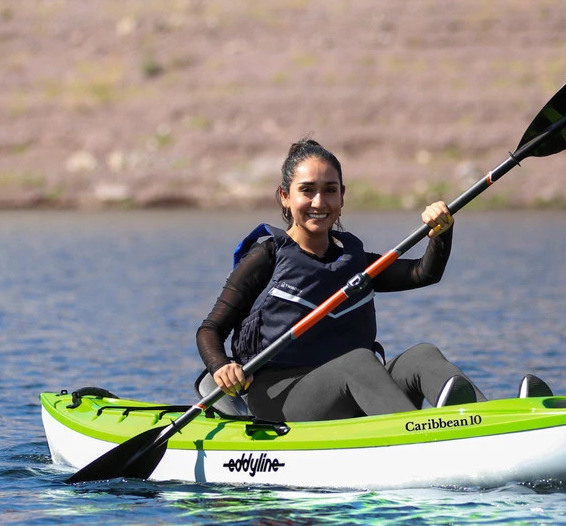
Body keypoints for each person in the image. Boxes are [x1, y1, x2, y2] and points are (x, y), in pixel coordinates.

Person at [195, 138, 488, 423]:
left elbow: (423, 272)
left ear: (342, 196)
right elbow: (210, 330)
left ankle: (488, 423)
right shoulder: (265, 257)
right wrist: (221, 366)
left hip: (356, 388)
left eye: (329, 190)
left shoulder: (354, 262)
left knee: (422, 356)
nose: (319, 202)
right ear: (285, 196)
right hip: (278, 397)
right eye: (307, 190)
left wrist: (441, 233)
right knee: (358, 362)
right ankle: (418, 435)